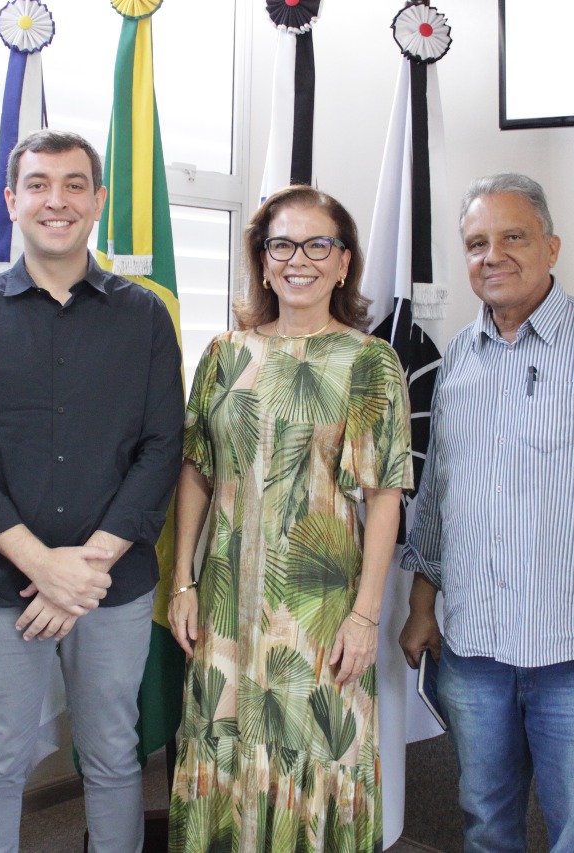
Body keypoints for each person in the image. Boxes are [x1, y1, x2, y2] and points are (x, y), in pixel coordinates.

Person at [399, 173, 574, 852]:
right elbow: (440, 497)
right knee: (485, 826)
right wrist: (420, 607)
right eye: (476, 242)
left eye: (512, 237)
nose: (492, 254)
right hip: (471, 652)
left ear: (551, 247)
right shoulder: (460, 360)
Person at [0, 129, 183, 853]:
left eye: (74, 184)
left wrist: (84, 567)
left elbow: (163, 448)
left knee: (110, 753)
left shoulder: (146, 317)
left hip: (114, 584)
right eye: (38, 183)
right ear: (12, 201)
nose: (56, 199)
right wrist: (43, 565)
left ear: (98, 200)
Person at [167, 185, 412, 853]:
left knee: (316, 759)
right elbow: (196, 467)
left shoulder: (368, 361)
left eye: (317, 244)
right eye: (282, 244)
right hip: (224, 605)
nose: (297, 258)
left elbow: (385, 493)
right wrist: (182, 582)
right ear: (263, 259)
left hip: (320, 613)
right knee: (221, 752)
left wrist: (367, 615)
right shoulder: (224, 353)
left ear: (342, 262)